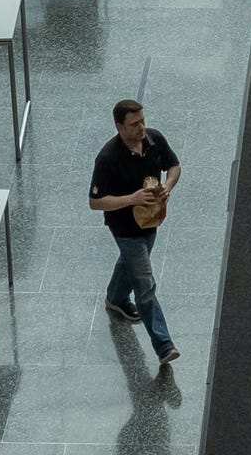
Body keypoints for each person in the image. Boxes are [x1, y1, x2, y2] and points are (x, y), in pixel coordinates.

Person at [88, 98, 181, 369]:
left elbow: (174, 167)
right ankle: (164, 345)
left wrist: (168, 185)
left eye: (142, 120)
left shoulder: (154, 140)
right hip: (125, 228)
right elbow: (95, 202)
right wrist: (132, 198)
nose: (141, 127)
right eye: (134, 124)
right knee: (144, 283)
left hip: (151, 221)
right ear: (119, 127)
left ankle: (115, 299)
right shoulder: (107, 159)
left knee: (130, 264)